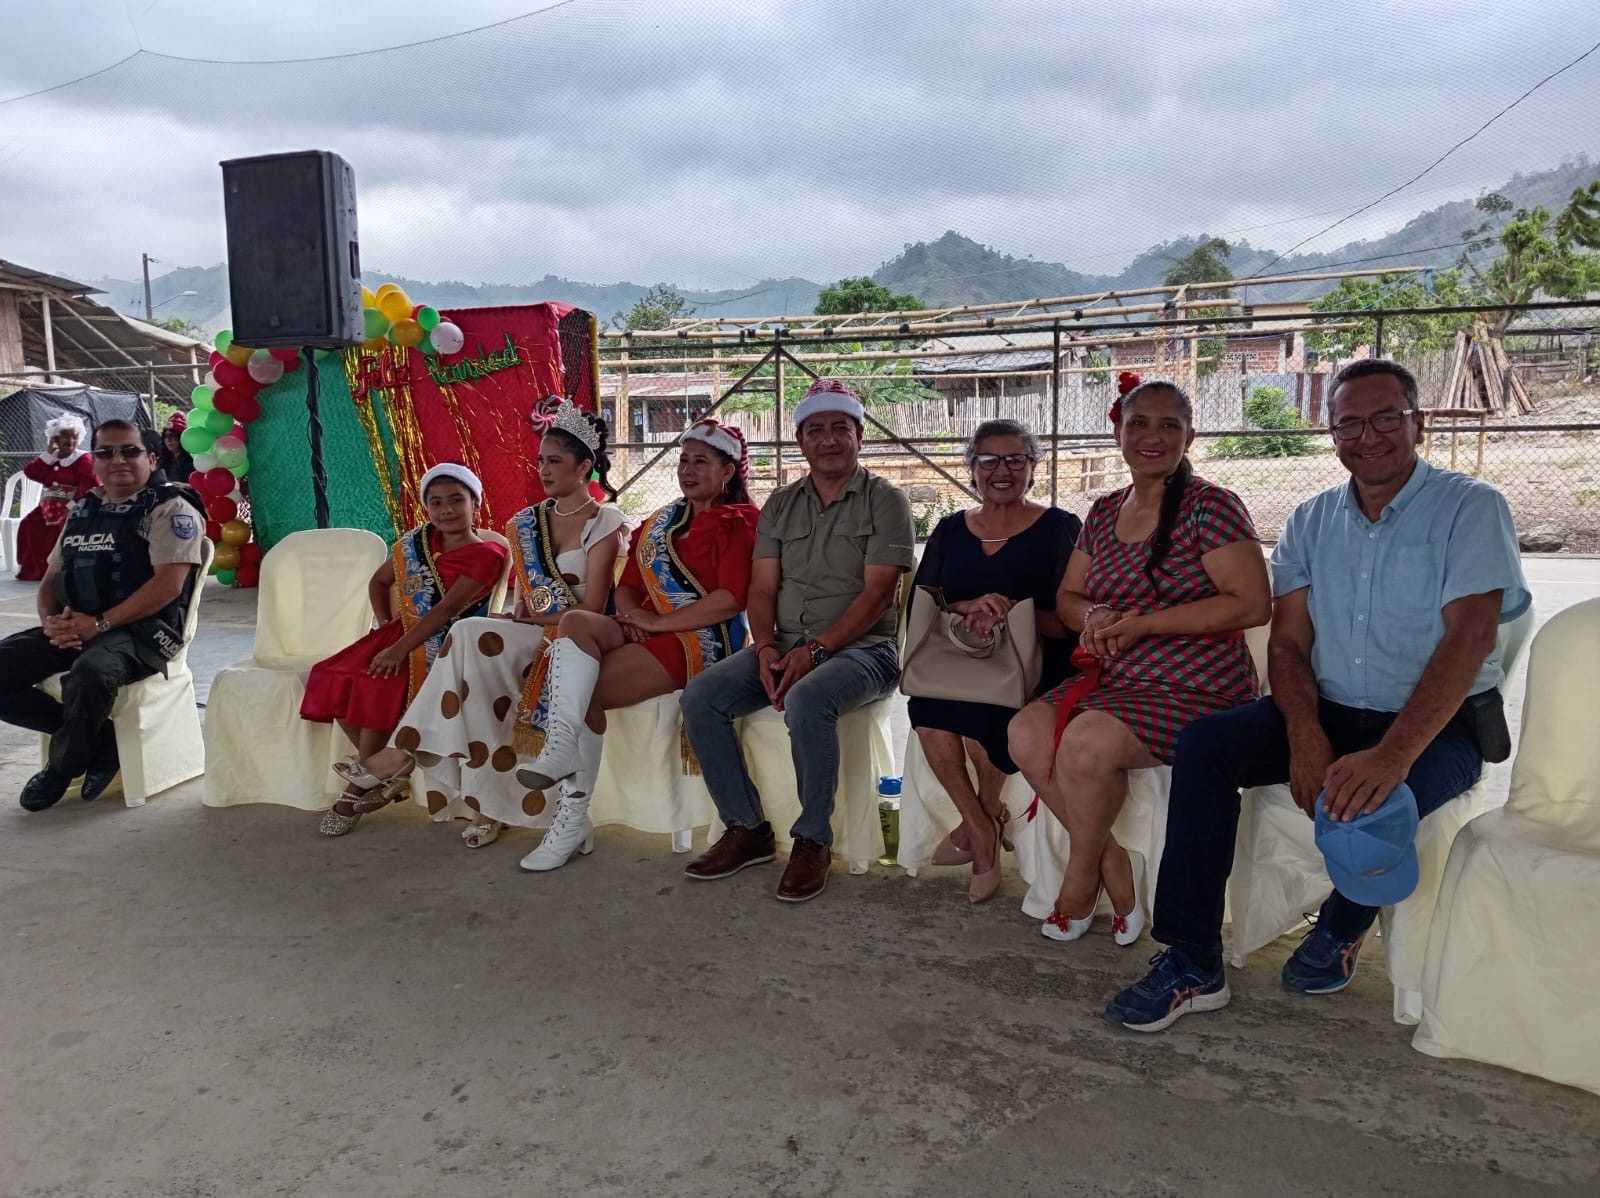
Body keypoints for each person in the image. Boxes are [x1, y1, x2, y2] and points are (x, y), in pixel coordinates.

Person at [1104, 358, 1531, 1032]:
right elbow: (1288, 645)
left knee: (1379, 797)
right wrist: (1304, 732)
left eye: (1386, 417)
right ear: (1332, 434)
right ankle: (1191, 960)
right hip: (1330, 709)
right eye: (1349, 423)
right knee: (1206, 745)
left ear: (1418, 422)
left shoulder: (1470, 507)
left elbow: (1470, 637)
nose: (1369, 436)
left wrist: (1390, 756)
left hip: (1440, 723)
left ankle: (1342, 921)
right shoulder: (1311, 519)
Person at [1008, 376, 1271, 945]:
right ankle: (1110, 859)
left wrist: (1144, 624)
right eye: (1139, 423)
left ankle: (1081, 878)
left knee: (1086, 742)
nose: (1153, 436)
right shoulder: (1104, 510)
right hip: (1117, 677)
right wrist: (1097, 615)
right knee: (1025, 732)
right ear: (1119, 432)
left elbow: (1252, 603)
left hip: (1199, 684)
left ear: (1189, 437)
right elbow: (1069, 598)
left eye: (1169, 425)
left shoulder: (1212, 507)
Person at [681, 378, 915, 902]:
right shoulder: (782, 505)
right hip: (785, 643)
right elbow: (761, 588)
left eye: (840, 428)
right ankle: (746, 828)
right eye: (816, 430)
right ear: (800, 441)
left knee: (809, 698)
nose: (828, 439)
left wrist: (816, 651)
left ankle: (812, 840)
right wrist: (766, 647)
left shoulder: (886, 501)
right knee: (701, 696)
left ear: (859, 436)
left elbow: (878, 594)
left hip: (866, 651)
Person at [358, 399, 625, 849]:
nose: (544, 470)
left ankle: (404, 754)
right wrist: (516, 615)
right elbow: (524, 599)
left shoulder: (605, 522)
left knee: (474, 647)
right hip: (534, 629)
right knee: (469, 638)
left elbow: (594, 607)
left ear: (583, 467)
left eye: (554, 461)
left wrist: (528, 616)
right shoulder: (527, 523)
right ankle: (473, 798)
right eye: (541, 461)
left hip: (577, 635)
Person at [512, 418, 761, 870]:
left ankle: (572, 819)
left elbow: (730, 600)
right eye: (683, 461)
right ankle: (561, 750)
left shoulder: (740, 522)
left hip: (703, 640)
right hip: (647, 627)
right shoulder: (662, 520)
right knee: (576, 622)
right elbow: (627, 585)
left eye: (701, 462)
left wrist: (659, 623)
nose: (687, 470)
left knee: (579, 688)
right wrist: (631, 617)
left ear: (728, 472)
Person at [907, 419, 1082, 903]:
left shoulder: (1059, 528)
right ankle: (982, 826)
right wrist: (967, 607)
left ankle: (979, 822)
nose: (1001, 471)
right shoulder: (950, 530)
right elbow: (926, 601)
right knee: (927, 709)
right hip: (962, 658)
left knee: (987, 713)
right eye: (988, 460)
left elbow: (1072, 616)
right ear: (972, 468)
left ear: (1033, 467)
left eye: (1015, 459)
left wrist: (1010, 614)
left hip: (1037, 661)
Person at [0, 419, 205, 811]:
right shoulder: (84, 509)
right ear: (93, 460)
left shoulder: (171, 508)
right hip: (78, 625)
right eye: (105, 452)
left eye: (130, 450)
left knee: (90, 675)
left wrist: (100, 624)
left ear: (151, 458)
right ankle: (101, 742)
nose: (118, 460)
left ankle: (62, 767)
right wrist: (52, 624)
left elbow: (168, 585)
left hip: (142, 633)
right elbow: (51, 579)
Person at [300, 464, 508, 837]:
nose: (446, 510)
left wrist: (397, 650)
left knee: (377, 683)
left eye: (457, 500)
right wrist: (386, 626)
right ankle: (382, 771)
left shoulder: (488, 553)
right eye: (436, 502)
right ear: (426, 507)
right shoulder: (417, 543)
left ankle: (361, 784)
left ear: (476, 504)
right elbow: (379, 582)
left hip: (449, 642)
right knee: (328, 674)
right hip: (400, 634)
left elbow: (446, 610)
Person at [14, 414, 98, 581]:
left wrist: (72, 506)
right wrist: (48, 453)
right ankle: (35, 569)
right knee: (29, 523)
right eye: (65, 436)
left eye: (74, 437)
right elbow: (31, 473)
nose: (70, 441)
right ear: (56, 439)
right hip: (48, 508)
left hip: (73, 507)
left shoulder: (82, 459)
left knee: (59, 527)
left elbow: (89, 486)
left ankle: (55, 570)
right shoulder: (52, 459)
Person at [157, 413, 195, 485]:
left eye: (172, 435)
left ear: (181, 437)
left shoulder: (192, 459)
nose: (168, 440)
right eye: (165, 436)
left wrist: (185, 486)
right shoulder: (164, 459)